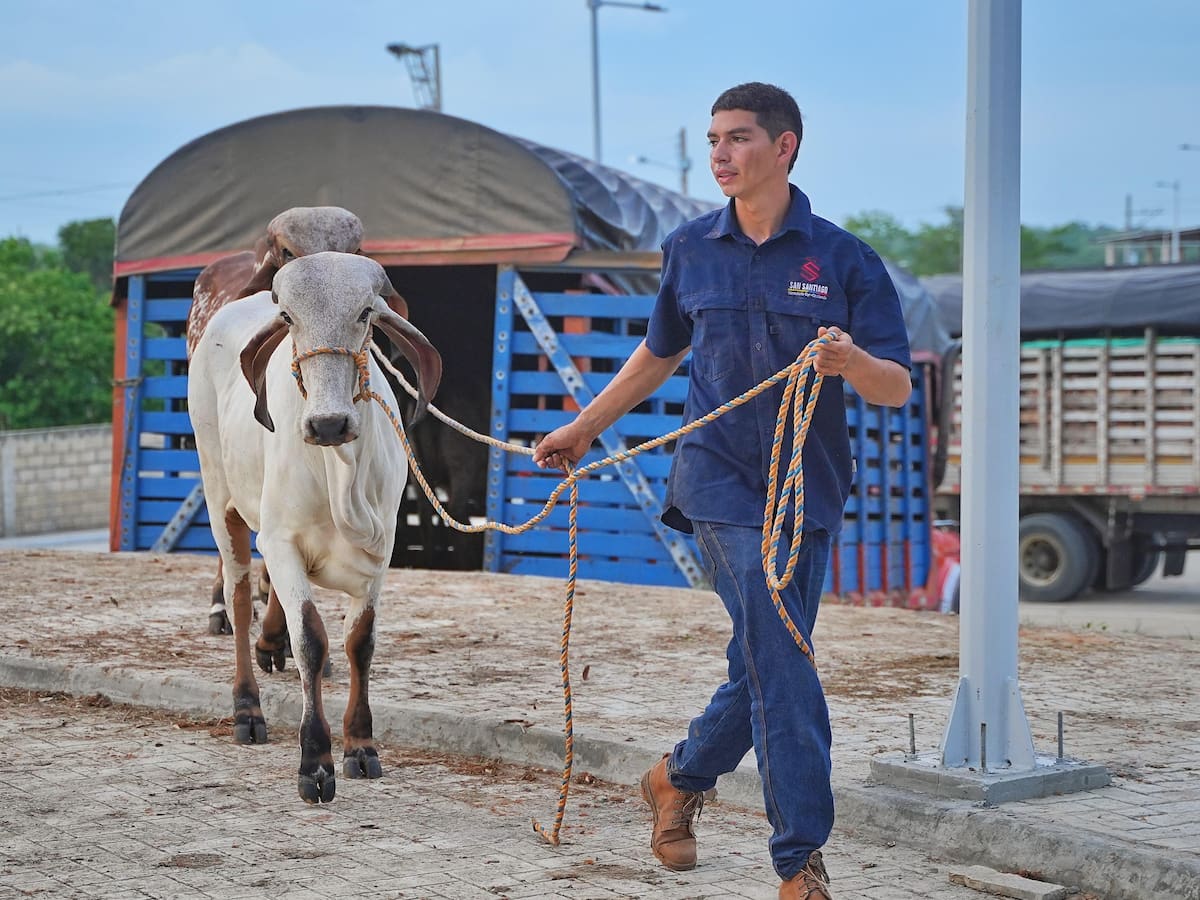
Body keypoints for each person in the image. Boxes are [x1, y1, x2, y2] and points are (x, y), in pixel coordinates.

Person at [533, 82, 912, 900]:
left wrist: (849, 363)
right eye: (713, 139)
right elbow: (658, 354)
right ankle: (800, 861)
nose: (720, 153)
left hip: (806, 489)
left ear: (786, 147)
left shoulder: (844, 259)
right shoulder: (688, 248)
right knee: (783, 658)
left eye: (738, 138)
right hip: (715, 484)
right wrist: (584, 426)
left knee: (766, 662)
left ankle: (679, 776)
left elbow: (896, 387)